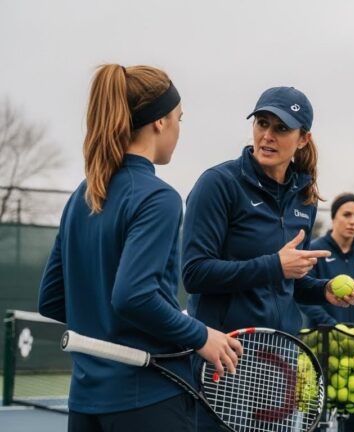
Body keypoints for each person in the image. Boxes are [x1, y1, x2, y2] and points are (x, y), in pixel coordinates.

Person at [37, 64, 241, 432]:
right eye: (179, 118)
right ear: (160, 122)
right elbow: (132, 296)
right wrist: (200, 335)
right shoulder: (158, 197)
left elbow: (52, 299)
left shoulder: (81, 196)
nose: (180, 129)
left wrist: (110, 321)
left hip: (85, 406)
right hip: (148, 401)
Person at [182, 86, 354, 430]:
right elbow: (194, 273)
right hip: (224, 356)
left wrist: (320, 289)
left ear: (303, 138)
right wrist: (275, 265)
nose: (267, 136)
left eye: (281, 128)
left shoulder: (305, 200)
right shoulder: (218, 184)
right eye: (262, 123)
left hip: (279, 359)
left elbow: (285, 280)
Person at [299, 192, 354, 432]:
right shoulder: (315, 250)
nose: (353, 221)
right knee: (315, 420)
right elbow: (304, 298)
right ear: (334, 217)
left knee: (353, 423)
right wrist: (332, 326)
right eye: (346, 215)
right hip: (318, 348)